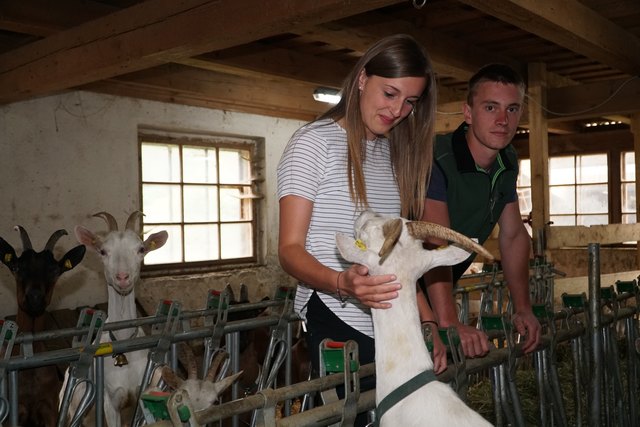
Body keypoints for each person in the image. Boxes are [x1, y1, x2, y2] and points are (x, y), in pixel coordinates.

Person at [277, 34, 443, 424]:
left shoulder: (390, 154)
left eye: (410, 102)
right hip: (335, 310)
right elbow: (289, 249)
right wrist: (341, 283)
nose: (398, 110)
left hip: (391, 318)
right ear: (363, 78)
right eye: (390, 93)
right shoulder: (312, 144)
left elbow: (396, 256)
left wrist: (428, 320)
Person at [422, 63, 541, 358]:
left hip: (437, 287)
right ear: (468, 112)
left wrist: (522, 308)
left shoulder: (508, 161)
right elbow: (435, 242)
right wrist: (449, 322)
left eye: (512, 109)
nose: (503, 119)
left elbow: (513, 235)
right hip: (400, 287)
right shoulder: (437, 159)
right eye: (491, 107)